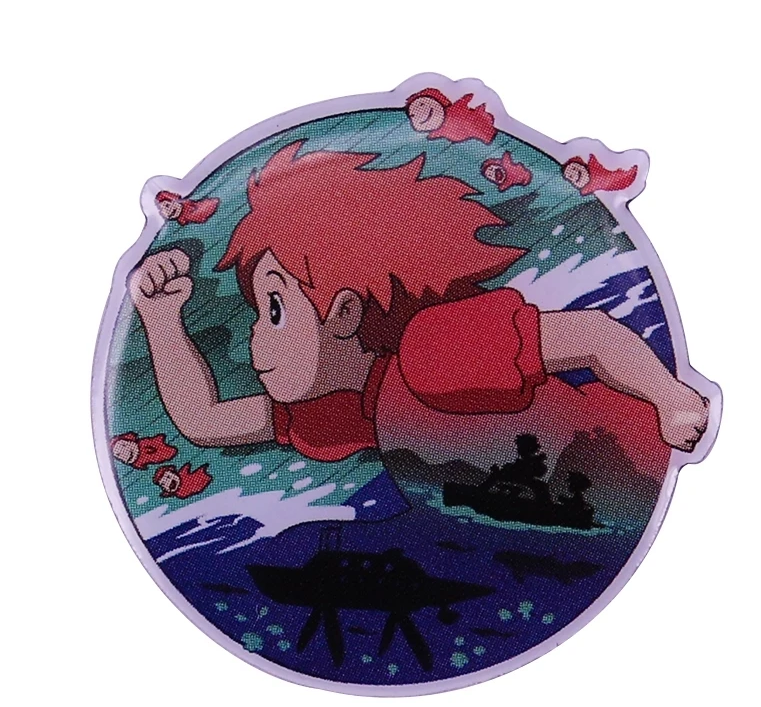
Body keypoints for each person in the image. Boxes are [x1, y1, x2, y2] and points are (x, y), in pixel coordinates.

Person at [128, 141, 707, 479]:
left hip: (624, 453)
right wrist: (161, 319)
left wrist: (671, 399)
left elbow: (592, 335)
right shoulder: (331, 410)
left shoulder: (436, 349)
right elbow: (207, 422)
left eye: (274, 308)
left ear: (344, 313)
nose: (258, 338)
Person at [405, 88, 497, 144]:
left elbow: (469, 97)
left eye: (422, 104)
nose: (423, 112)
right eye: (413, 115)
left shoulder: (456, 110)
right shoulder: (433, 135)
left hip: (484, 130)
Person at [562, 155, 638, 196]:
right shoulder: (587, 190)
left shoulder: (593, 162)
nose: (574, 173)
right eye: (570, 177)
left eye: (574, 168)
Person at [110, 432, 177, 469]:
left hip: (145, 446)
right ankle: (169, 451)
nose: (124, 452)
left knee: (154, 442)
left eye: (123, 445)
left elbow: (151, 441)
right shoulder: (137, 462)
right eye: (118, 455)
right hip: (149, 458)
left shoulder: (141, 443)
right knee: (158, 457)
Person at [155, 191, 220, 226]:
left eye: (167, 206)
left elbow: (212, 204)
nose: (168, 211)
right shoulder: (180, 221)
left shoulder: (191, 207)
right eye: (162, 211)